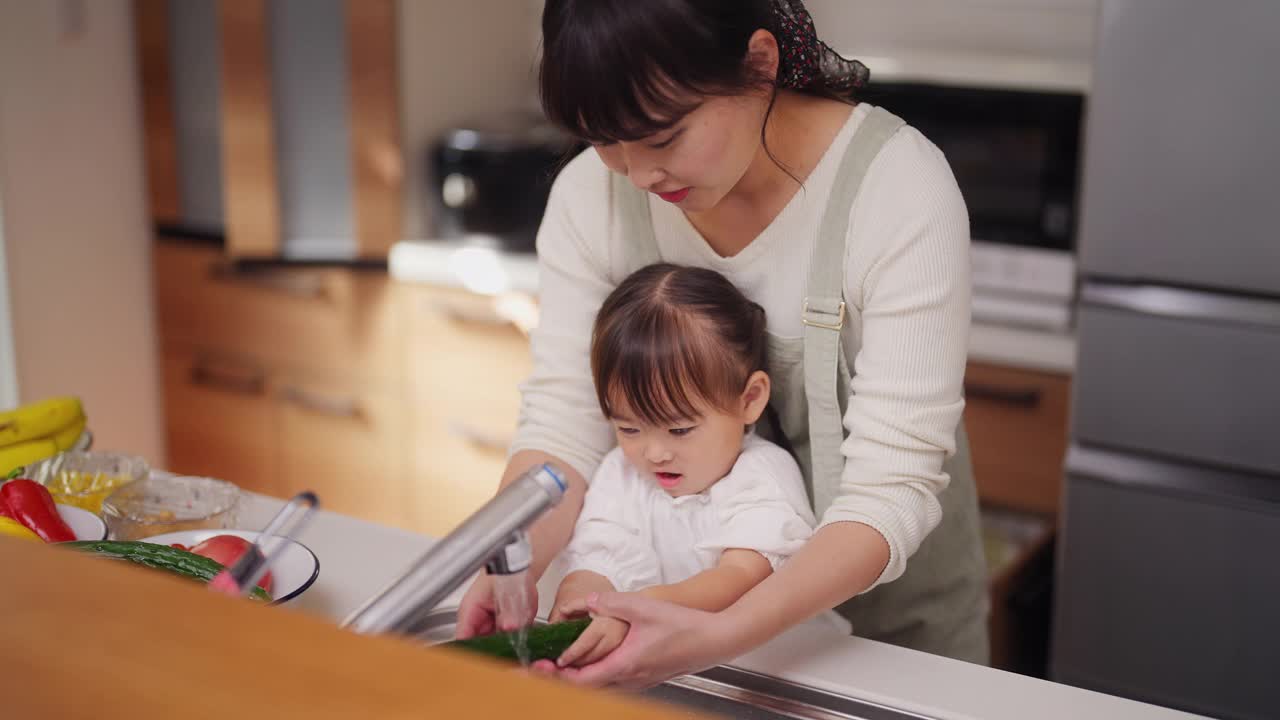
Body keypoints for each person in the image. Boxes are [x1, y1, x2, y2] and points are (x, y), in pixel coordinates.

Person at [455, 0, 988, 687]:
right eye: (603, 139)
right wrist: (510, 557)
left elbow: (892, 489)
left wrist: (718, 632)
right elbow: (564, 422)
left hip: (888, 641)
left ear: (761, 65)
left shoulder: (895, 189)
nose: (636, 173)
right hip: (662, 623)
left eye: (662, 135)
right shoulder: (592, 196)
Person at [547, 263, 843, 669]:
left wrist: (633, 607)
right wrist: (583, 599)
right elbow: (600, 554)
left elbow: (740, 577)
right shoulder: (622, 472)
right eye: (629, 428)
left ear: (750, 399)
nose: (654, 453)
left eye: (680, 429)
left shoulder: (763, 476)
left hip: (791, 668)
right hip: (687, 660)